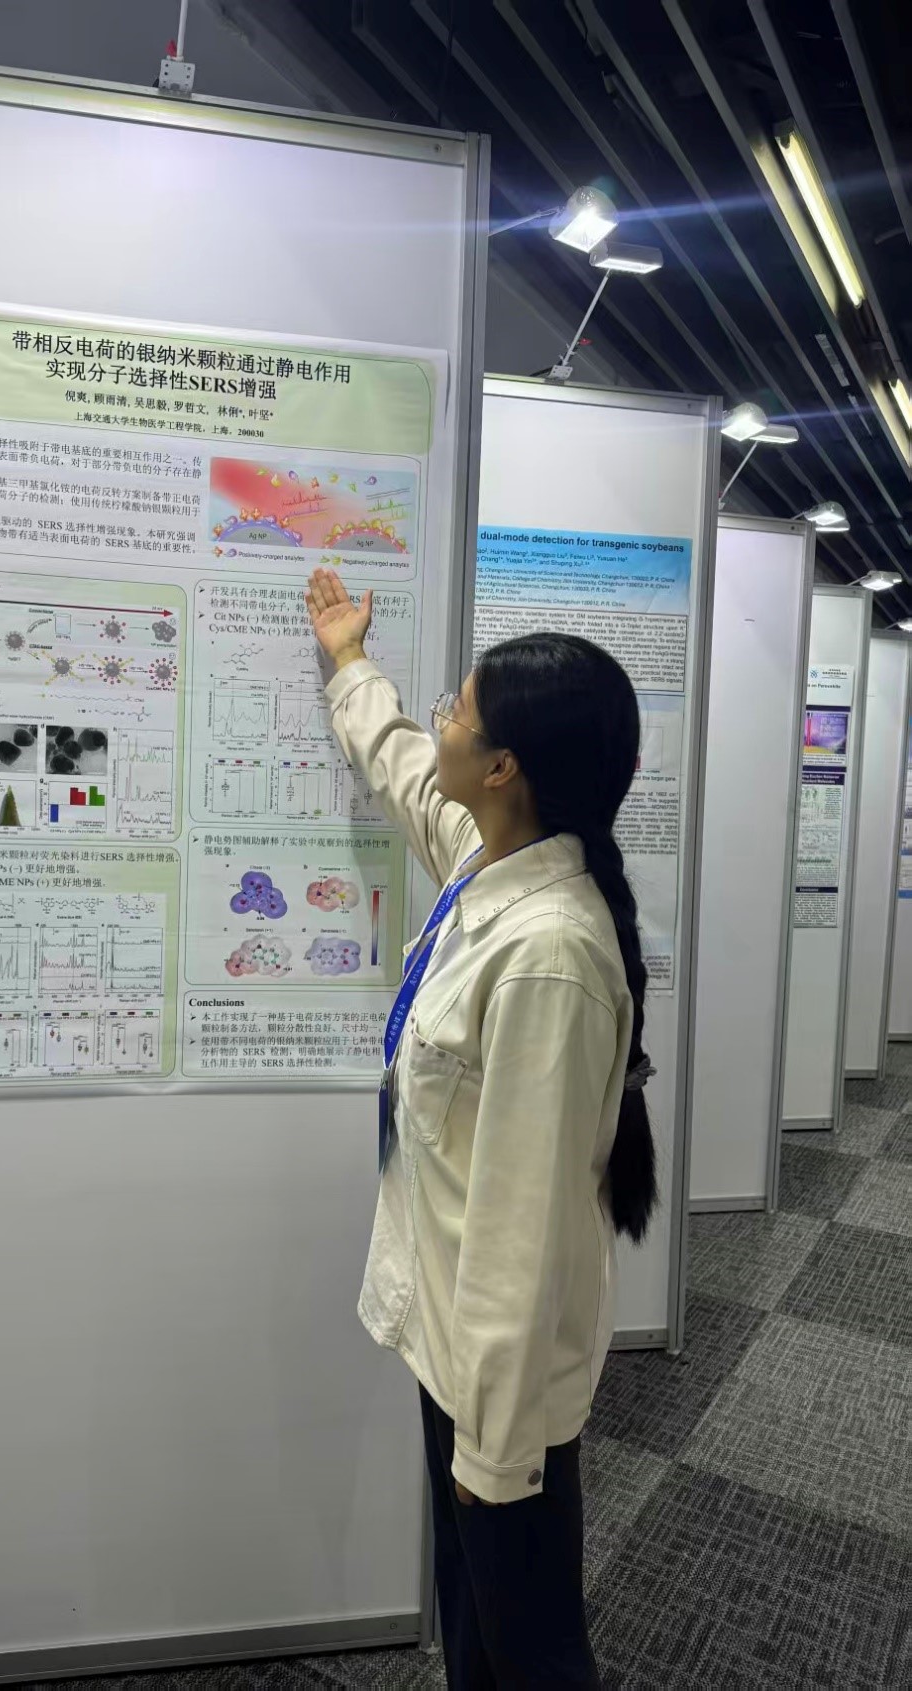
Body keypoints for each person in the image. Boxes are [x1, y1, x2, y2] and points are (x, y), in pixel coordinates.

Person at [304, 566, 659, 1690]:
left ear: (503, 766)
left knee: (530, 1647)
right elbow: (408, 772)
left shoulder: (549, 954)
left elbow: (523, 1232)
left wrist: (496, 1455)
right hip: (452, 1342)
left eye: (456, 707)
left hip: (498, 1377)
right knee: (476, 1625)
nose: (442, 719)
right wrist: (349, 662)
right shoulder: (490, 861)